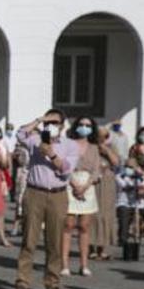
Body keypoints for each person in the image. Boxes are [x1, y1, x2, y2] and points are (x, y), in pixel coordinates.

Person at [13, 109, 79, 289]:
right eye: (49, 122)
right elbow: (20, 133)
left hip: (58, 194)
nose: (52, 126)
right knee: (29, 239)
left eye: (55, 122)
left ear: (62, 125)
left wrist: (51, 154)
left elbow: (66, 169)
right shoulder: (35, 140)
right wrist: (40, 120)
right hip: (35, 191)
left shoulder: (70, 145)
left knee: (54, 240)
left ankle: (52, 281)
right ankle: (22, 281)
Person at [60, 116, 102, 277]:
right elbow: (63, 165)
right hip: (71, 184)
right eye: (82, 124)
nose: (84, 127)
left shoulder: (94, 147)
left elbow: (96, 170)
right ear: (76, 126)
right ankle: (64, 264)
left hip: (87, 187)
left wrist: (85, 186)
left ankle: (84, 264)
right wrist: (73, 184)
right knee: (68, 225)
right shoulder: (68, 144)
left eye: (88, 125)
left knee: (84, 227)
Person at [116, 159, 144, 249]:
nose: (131, 169)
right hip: (125, 203)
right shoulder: (120, 176)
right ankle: (123, 239)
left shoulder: (140, 176)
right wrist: (135, 183)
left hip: (140, 203)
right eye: (129, 167)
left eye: (133, 167)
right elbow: (126, 186)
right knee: (124, 214)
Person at [91, 126, 119, 261]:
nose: (101, 138)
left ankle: (102, 249)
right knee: (93, 215)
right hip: (93, 182)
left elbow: (116, 162)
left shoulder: (111, 147)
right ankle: (91, 247)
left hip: (107, 183)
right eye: (99, 136)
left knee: (106, 215)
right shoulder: (90, 147)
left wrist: (106, 149)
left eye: (104, 136)